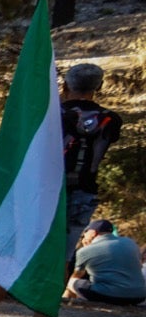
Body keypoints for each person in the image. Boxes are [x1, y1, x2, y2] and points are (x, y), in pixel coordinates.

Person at [60, 63, 124, 263]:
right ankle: (54, 294)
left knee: (35, 247)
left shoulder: (52, 114)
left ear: (65, 85)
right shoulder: (111, 119)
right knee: (65, 254)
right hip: (84, 189)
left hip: (48, 188)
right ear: (99, 86)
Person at [65, 220, 144, 305]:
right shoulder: (130, 243)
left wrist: (86, 250)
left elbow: (77, 275)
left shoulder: (85, 251)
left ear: (93, 233)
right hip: (139, 296)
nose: (83, 236)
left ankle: (66, 302)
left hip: (109, 296)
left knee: (71, 281)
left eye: (85, 233)